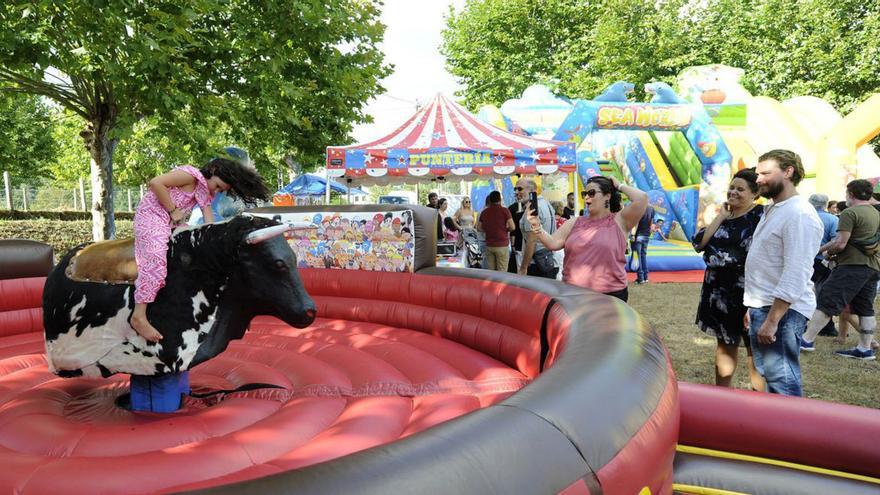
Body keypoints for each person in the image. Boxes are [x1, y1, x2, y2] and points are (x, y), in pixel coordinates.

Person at [132, 155, 270, 342]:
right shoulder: (190, 176)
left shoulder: (205, 192)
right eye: (219, 186)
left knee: (194, 251)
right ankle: (138, 316)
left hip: (170, 222)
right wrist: (173, 210)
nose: (218, 191)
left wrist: (216, 241)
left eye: (222, 190)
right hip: (151, 217)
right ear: (213, 171)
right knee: (155, 259)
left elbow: (209, 223)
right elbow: (156, 183)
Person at [744, 149, 822, 396]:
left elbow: (796, 272)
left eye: (766, 173)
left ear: (788, 172)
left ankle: (790, 434)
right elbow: (768, 263)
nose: (758, 179)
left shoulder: (799, 214)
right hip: (765, 306)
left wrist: (772, 319)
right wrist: (752, 305)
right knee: (770, 375)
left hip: (782, 311)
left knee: (782, 383)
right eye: (757, 174)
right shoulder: (775, 208)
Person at [693, 168, 765, 390]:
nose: (733, 192)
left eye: (740, 189)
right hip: (717, 290)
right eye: (731, 187)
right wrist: (721, 216)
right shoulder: (724, 215)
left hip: (747, 291)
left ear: (755, 193)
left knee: (755, 348)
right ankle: (722, 396)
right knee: (725, 344)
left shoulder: (761, 216)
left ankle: (760, 402)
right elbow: (700, 244)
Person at [526, 175, 648, 301]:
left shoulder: (620, 220)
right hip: (573, 294)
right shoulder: (574, 222)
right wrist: (537, 225)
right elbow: (553, 243)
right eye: (585, 193)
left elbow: (642, 198)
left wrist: (618, 185)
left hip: (610, 296)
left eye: (591, 193)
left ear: (607, 195)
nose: (587, 197)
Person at [800, 179, 880, 360]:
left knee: (828, 301)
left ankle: (806, 340)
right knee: (865, 308)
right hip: (872, 266)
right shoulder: (876, 213)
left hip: (851, 266)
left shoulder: (849, 213)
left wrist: (827, 254)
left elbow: (840, 243)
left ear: (851, 194)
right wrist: (821, 250)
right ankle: (864, 349)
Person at [808, 193, 839, 337]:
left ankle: (800, 323)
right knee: (822, 293)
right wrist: (820, 250)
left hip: (803, 259)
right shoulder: (833, 219)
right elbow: (835, 240)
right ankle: (827, 327)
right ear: (826, 204)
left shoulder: (804, 217)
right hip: (823, 260)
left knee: (800, 291)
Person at [517, 178, 558, 279]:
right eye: (516, 189)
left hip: (536, 264)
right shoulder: (546, 203)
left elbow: (531, 240)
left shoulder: (532, 208)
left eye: (520, 189)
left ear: (532, 191)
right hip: (549, 260)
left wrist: (523, 268)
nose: (517, 192)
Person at [477, 191, 515, 271]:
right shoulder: (505, 211)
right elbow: (513, 227)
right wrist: (505, 229)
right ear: (500, 199)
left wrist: (489, 230)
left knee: (491, 271)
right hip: (502, 245)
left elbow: (479, 228)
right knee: (502, 271)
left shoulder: (484, 212)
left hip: (489, 245)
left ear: (490, 200)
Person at [629, 204, 655, 284]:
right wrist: (649, 232)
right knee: (643, 255)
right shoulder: (651, 208)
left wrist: (633, 235)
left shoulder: (638, 207)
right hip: (646, 235)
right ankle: (646, 277)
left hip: (638, 235)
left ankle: (640, 278)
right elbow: (651, 222)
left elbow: (635, 223)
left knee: (637, 256)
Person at [508, 187, 526, 273]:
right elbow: (513, 229)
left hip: (528, 240)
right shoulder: (512, 208)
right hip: (519, 241)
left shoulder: (529, 207)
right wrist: (513, 244)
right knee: (519, 266)